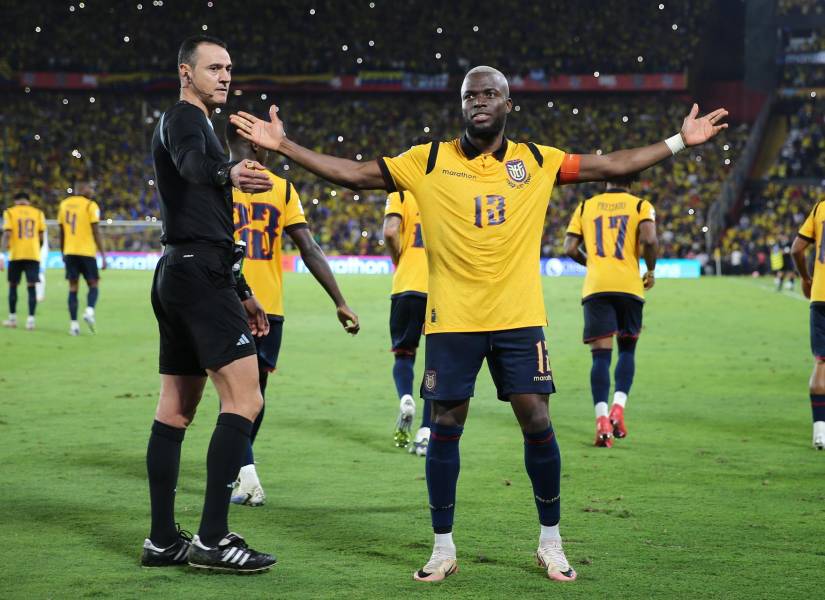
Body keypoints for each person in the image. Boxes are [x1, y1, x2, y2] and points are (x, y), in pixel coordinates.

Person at [230, 65, 728, 583]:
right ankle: (443, 547)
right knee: (446, 426)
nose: (480, 101)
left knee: (537, 421)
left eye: (491, 93)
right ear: (461, 104)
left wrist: (679, 142)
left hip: (519, 320)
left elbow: (614, 163)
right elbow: (354, 174)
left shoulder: (538, 161)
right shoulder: (427, 160)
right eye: (471, 95)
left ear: (508, 103)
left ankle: (551, 542)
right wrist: (285, 146)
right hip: (451, 322)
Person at [141, 34, 278, 573]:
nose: (225, 75)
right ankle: (213, 539)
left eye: (229, 67)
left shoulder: (201, 122)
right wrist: (230, 172)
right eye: (214, 67)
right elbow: (196, 166)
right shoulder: (183, 119)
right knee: (246, 400)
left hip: (183, 272)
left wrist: (241, 291)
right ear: (185, 72)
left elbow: (206, 214)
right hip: (198, 276)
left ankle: (161, 540)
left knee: (175, 409)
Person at [225, 123, 360, 507]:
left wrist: (339, 298)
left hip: (228, 303)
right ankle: (241, 470)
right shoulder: (282, 189)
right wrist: (339, 299)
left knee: (232, 394)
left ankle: (245, 474)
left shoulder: (219, 183)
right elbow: (309, 247)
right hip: (271, 310)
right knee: (253, 395)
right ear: (259, 146)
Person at [563, 175, 658, 447]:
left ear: (605, 180)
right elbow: (650, 240)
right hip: (630, 287)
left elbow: (569, 247)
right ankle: (619, 407)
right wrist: (650, 270)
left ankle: (601, 420)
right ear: (634, 179)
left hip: (596, 289)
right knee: (627, 350)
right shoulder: (640, 205)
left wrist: (592, 263)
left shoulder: (585, 206)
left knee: (600, 358)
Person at [383, 190, 430, 455]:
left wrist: (398, 259)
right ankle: (425, 434)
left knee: (404, 354)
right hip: (440, 288)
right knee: (438, 364)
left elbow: (390, 231)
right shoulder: (447, 187)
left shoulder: (401, 193)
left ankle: (405, 397)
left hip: (406, 286)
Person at [790, 205, 825, 450]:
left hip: (821, 296)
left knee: (821, 364)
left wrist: (805, 278)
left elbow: (797, 249)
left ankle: (820, 432)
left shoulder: (820, 208)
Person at [58, 181, 107, 335]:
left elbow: (61, 232)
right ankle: (89, 310)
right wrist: (103, 255)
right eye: (90, 188)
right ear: (81, 189)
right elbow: (96, 231)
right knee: (94, 283)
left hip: (70, 252)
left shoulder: (64, 205)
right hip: (86, 252)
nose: (92, 191)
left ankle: (73, 325)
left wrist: (63, 252)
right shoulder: (90, 206)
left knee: (73, 287)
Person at [1, 192, 46, 330]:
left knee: (13, 285)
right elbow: (41, 236)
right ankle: (31, 321)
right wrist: (36, 248)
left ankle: (12, 319)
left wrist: (2, 254)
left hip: (16, 254)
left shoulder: (9, 212)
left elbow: (7, 233)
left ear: (16, 201)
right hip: (33, 254)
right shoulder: (38, 213)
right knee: (31, 287)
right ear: (28, 201)